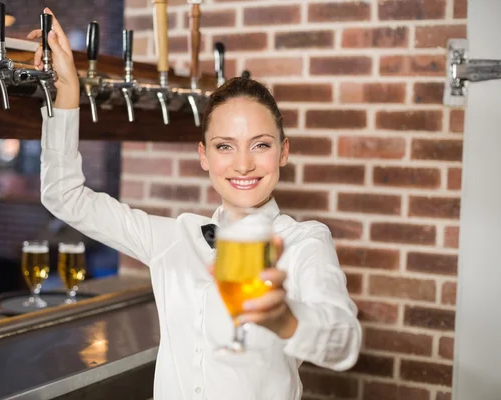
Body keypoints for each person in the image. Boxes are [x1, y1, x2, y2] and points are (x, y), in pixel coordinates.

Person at [30, 9, 361, 400]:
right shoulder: (172, 237)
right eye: (225, 146)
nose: (242, 164)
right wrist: (68, 92)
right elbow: (63, 195)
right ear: (204, 155)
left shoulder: (305, 242)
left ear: (283, 152)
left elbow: (344, 341)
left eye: (261, 144)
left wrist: (285, 319)